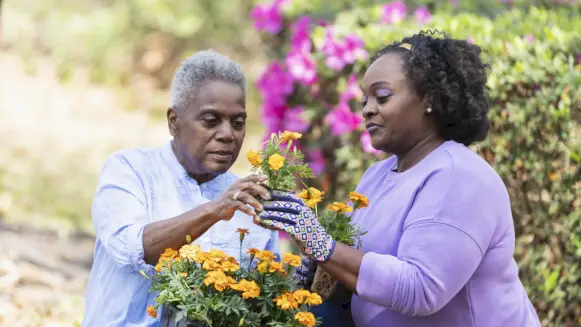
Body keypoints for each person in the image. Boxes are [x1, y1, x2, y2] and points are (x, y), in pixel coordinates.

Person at [256, 31, 542, 327]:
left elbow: (421, 290)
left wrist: (323, 247)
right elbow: (364, 280)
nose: (367, 109)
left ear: (428, 98)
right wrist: (321, 267)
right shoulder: (377, 176)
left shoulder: (460, 177)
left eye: (382, 97)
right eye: (365, 99)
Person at [82, 50, 278, 327]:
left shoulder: (250, 199)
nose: (227, 134)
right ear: (174, 121)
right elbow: (134, 248)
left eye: (238, 123)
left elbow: (268, 294)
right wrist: (215, 210)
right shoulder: (129, 170)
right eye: (211, 120)